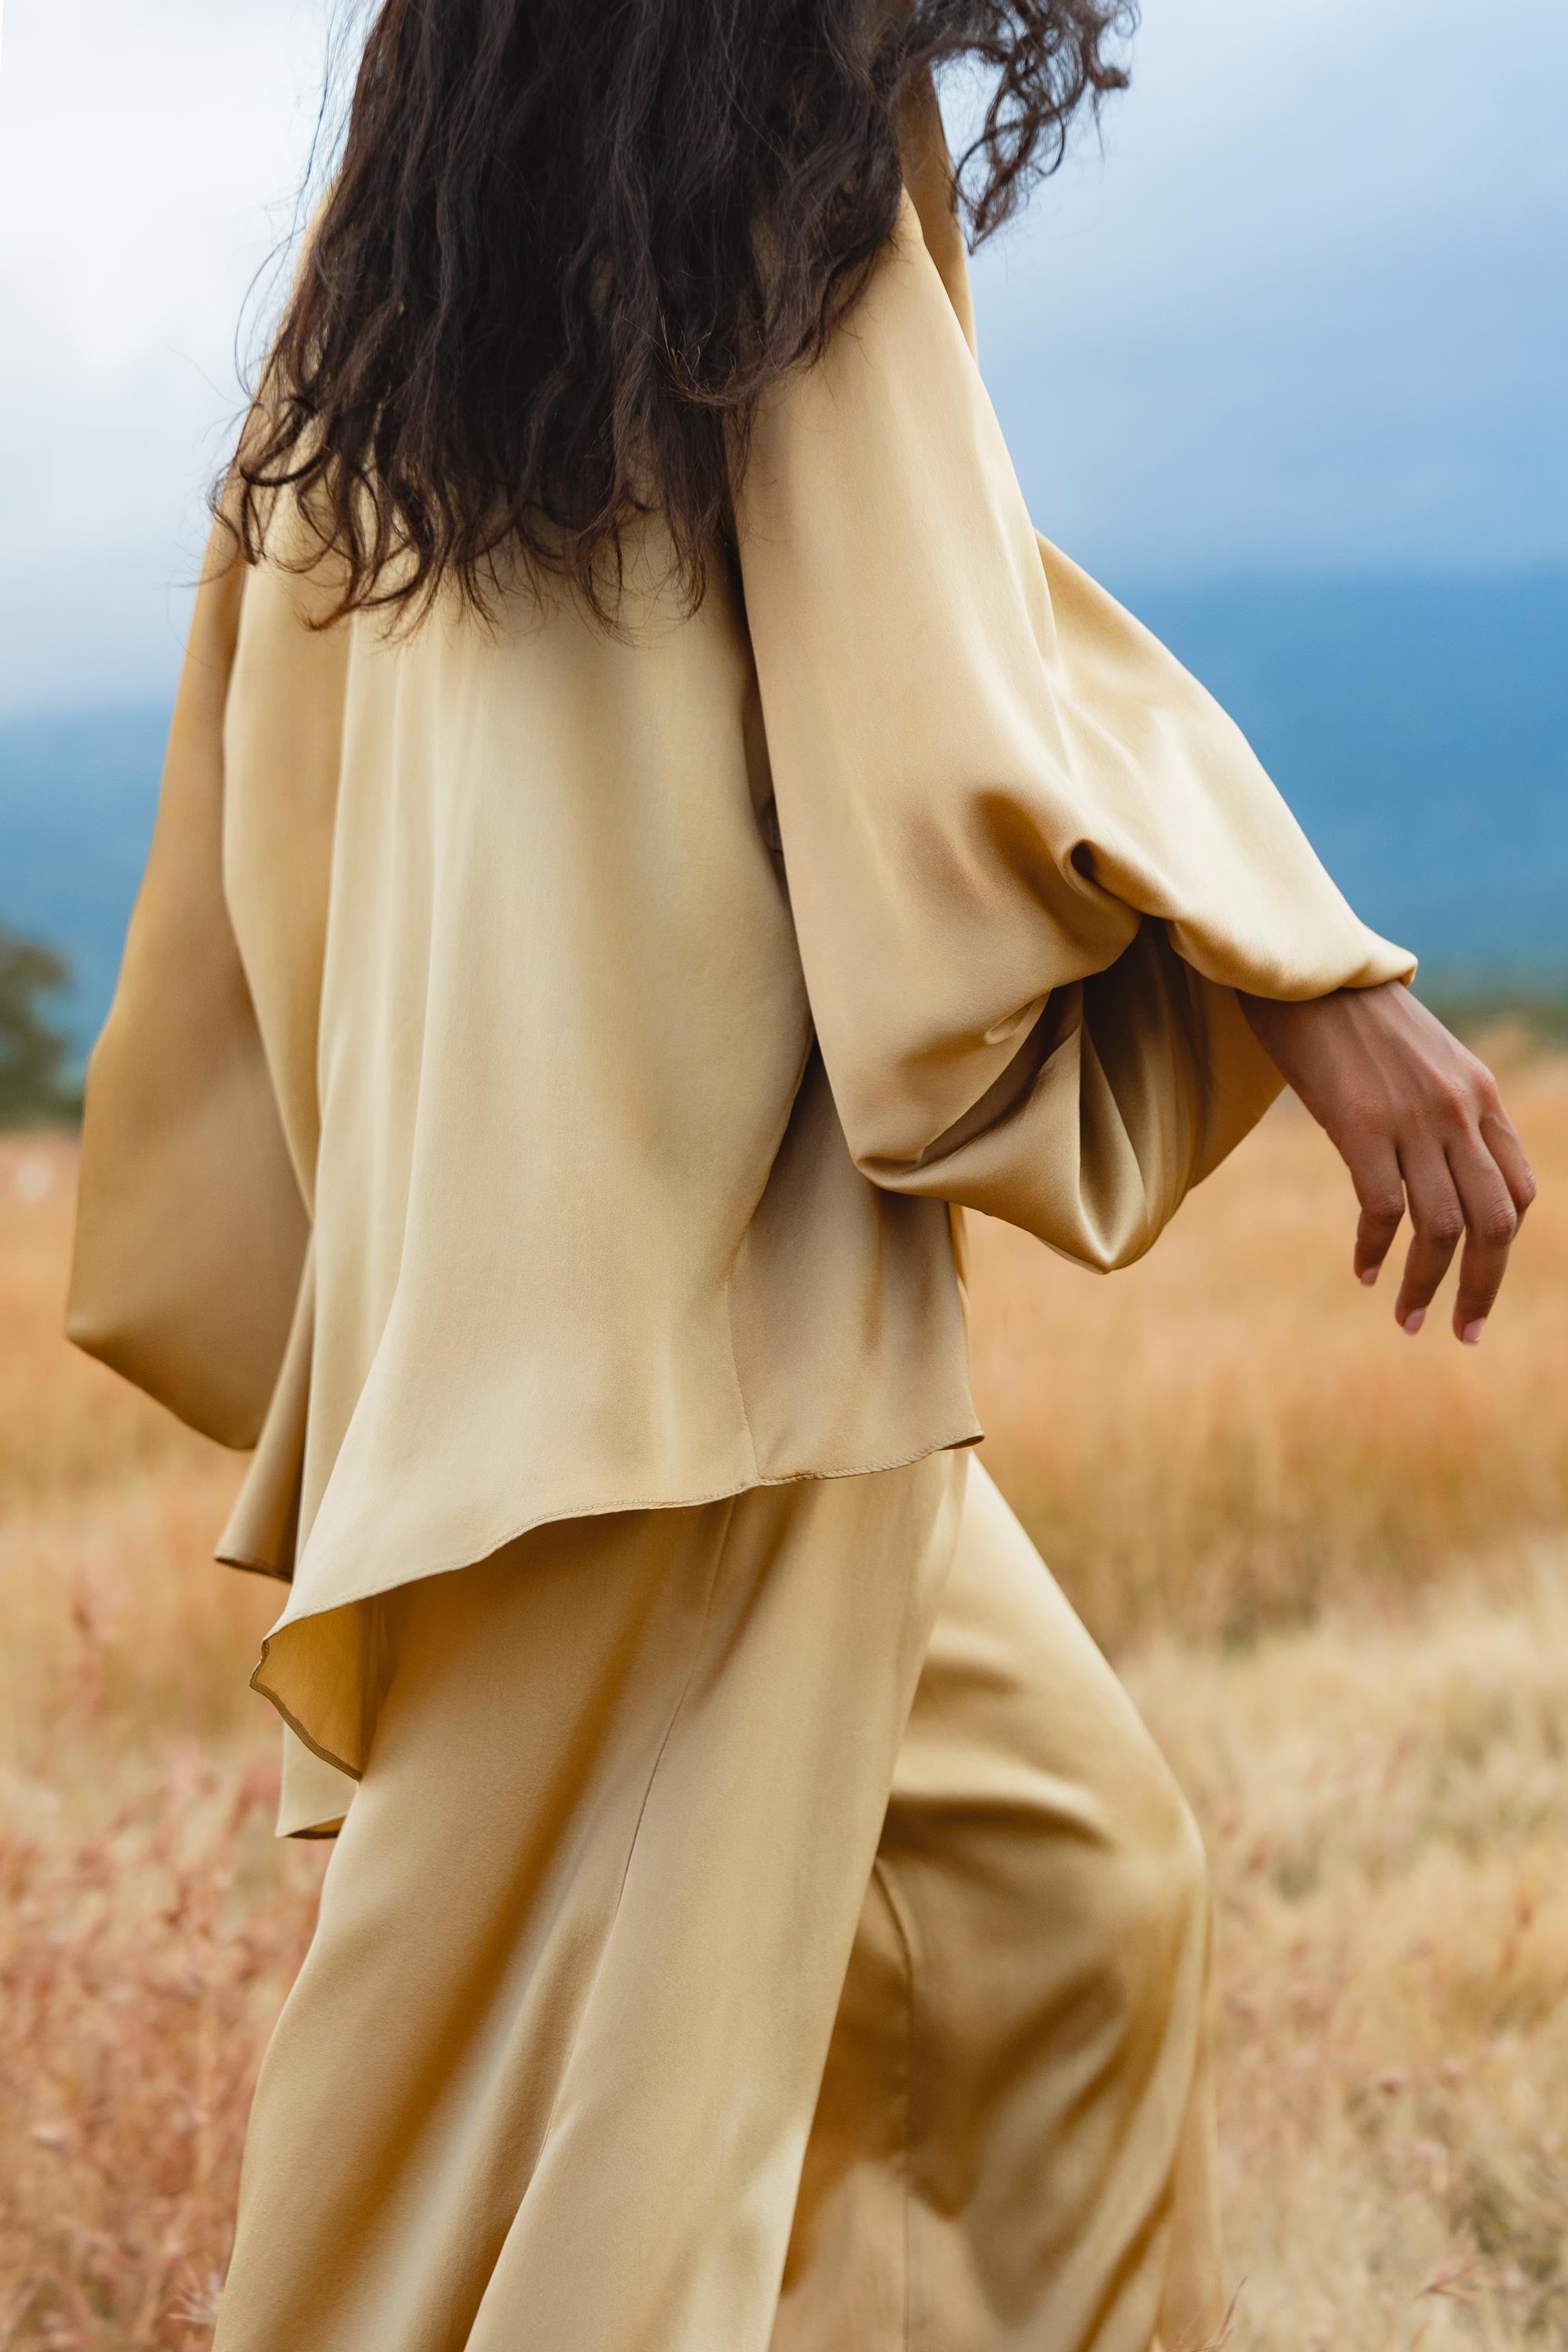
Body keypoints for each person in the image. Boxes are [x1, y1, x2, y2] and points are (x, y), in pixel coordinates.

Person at [67, 3, 1535, 2347]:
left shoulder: (446, 260)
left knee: (1059, 1908)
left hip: (558, 1337)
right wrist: (1294, 966)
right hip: (700, 1353)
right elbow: (940, 679)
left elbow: (269, 830)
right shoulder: (764, 159)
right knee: (556, 2231)